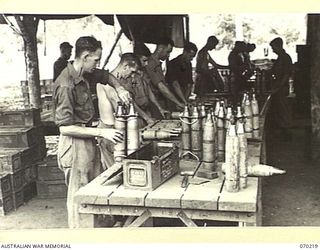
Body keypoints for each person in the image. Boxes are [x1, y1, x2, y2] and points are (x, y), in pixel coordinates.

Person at [52, 36, 131, 228]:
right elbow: (65, 128)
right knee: (80, 199)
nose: (98, 64)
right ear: (85, 56)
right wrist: (102, 133)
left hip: (88, 139)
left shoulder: (86, 73)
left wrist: (120, 89)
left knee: (94, 190)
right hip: (74, 143)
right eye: (96, 59)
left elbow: (107, 76)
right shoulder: (66, 83)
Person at [145, 37, 185, 111]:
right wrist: (178, 103)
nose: (168, 55)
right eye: (168, 52)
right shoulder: (151, 64)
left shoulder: (158, 64)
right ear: (160, 49)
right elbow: (161, 87)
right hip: (154, 103)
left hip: (161, 101)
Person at [268, 37, 293, 140]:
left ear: (279, 46)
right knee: (279, 110)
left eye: (273, 47)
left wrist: (278, 87)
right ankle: (283, 131)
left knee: (283, 110)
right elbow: (273, 70)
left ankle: (287, 133)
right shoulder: (280, 57)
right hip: (278, 87)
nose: (273, 50)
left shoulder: (285, 58)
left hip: (281, 87)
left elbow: (286, 75)